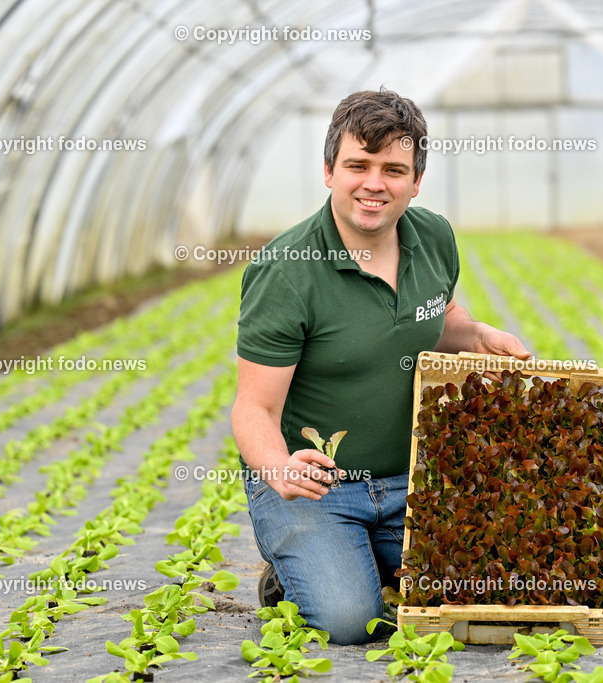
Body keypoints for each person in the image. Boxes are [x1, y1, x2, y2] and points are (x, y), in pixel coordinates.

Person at [231, 88, 529, 645]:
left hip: (412, 480)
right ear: (328, 171)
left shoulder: (433, 236)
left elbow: (436, 314)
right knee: (350, 623)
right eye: (358, 166)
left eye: (394, 169)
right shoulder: (286, 273)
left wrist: (476, 333)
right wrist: (278, 469)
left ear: (415, 181)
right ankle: (297, 568)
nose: (374, 183)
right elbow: (254, 406)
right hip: (319, 485)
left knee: (486, 595)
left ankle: (366, 554)